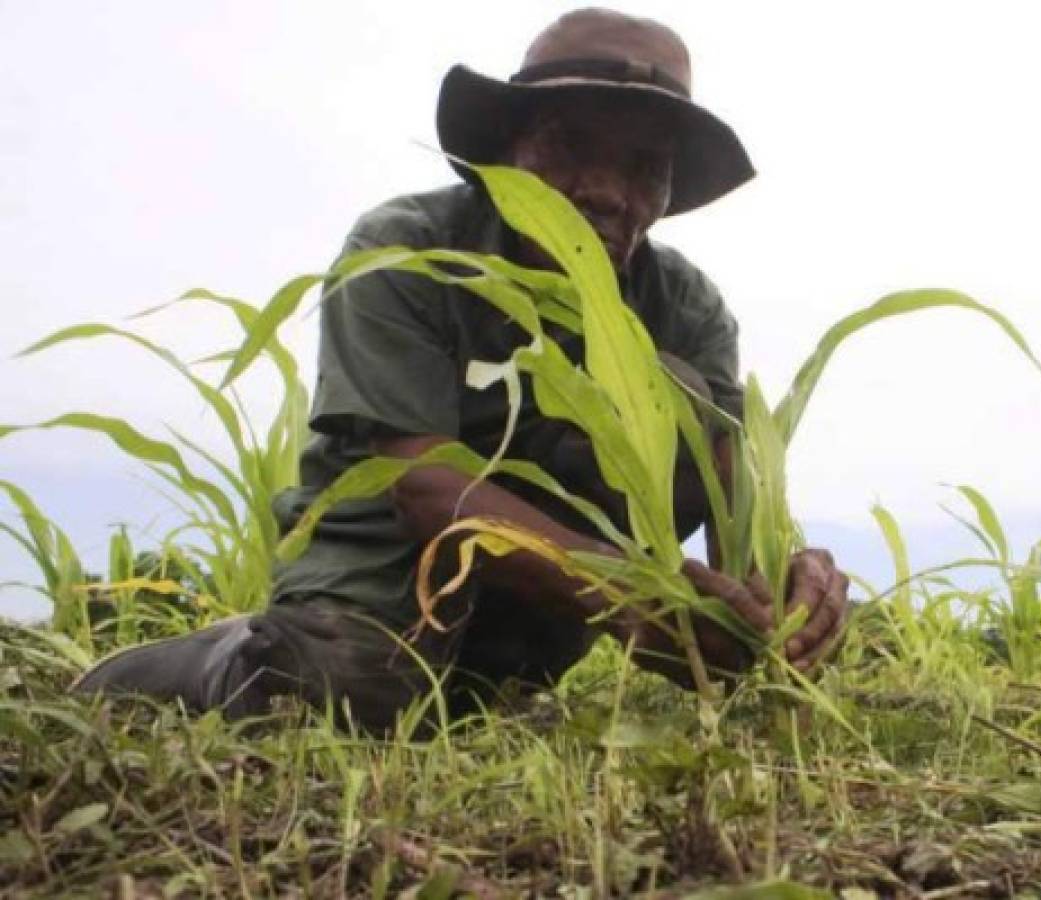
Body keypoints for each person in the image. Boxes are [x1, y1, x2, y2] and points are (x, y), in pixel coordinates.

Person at [75, 8, 849, 734]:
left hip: (547, 618)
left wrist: (778, 591)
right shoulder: (407, 250)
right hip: (382, 582)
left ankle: (492, 673)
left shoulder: (682, 305)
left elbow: (729, 490)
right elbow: (423, 484)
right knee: (353, 690)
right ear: (509, 148)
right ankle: (193, 661)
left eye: (645, 166)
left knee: (676, 390)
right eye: (571, 145)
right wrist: (631, 598)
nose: (607, 192)